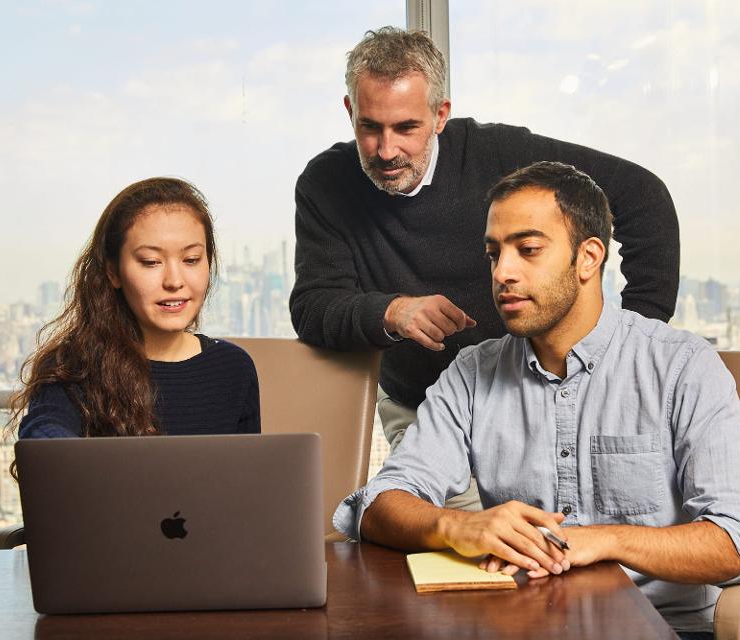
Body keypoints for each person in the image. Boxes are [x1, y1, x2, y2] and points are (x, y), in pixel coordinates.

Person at [333, 162, 740, 638]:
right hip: (523, 626)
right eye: (493, 254)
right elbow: (377, 505)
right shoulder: (472, 373)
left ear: (588, 258)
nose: (503, 272)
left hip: (664, 628)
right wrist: (457, 527)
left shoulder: (682, 366)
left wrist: (601, 541)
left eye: (527, 250)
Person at [290, 28, 680, 508]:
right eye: (370, 128)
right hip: (423, 407)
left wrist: (626, 341)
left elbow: (644, 198)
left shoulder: (500, 155)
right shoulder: (325, 183)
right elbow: (312, 306)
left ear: (440, 116)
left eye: (406, 128)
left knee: (548, 551)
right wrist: (392, 312)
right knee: (449, 550)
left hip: (531, 398)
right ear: (350, 112)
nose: (386, 150)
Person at [8, 177, 260, 440]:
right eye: (151, 262)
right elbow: (43, 435)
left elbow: (250, 475)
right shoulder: (75, 366)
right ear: (113, 272)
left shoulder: (234, 368)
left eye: (191, 260)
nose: (174, 281)